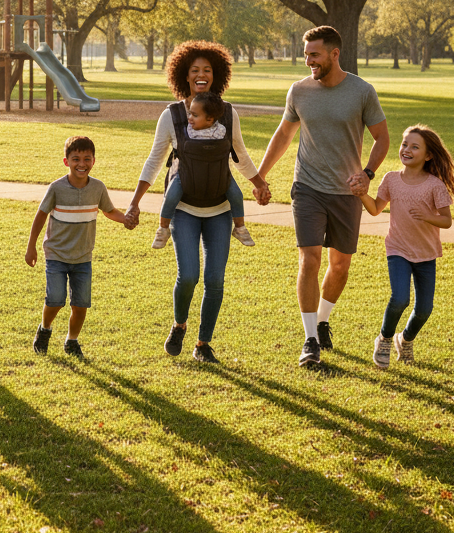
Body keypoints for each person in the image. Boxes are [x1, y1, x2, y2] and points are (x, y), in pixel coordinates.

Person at [124, 40, 270, 362]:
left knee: (215, 280)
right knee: (188, 275)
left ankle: (203, 345)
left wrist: (259, 184)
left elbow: (241, 156)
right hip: (185, 209)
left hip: (220, 209)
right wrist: (134, 202)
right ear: (184, 76)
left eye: (207, 70)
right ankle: (179, 324)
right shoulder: (173, 116)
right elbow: (153, 160)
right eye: (195, 71)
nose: (201, 75)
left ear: (216, 76)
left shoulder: (228, 114)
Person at [256, 25, 389, 368]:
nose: (308, 61)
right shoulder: (299, 91)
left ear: (334, 53)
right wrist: (261, 176)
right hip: (308, 188)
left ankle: (324, 319)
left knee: (340, 266)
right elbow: (284, 134)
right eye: (306, 55)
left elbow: (382, 139)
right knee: (310, 259)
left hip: (347, 192)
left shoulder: (361, 91)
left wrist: (368, 174)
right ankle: (310, 338)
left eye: (314, 54)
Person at [359, 125, 454, 369]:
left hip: (426, 254)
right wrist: (362, 193)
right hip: (397, 249)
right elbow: (375, 209)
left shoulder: (435, 185)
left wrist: (428, 215)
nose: (406, 149)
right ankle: (384, 339)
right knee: (400, 298)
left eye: (415, 147)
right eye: (404, 144)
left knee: (425, 309)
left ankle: (404, 339)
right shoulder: (391, 179)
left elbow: (446, 221)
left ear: (428, 155)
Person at [25, 135, 133, 358]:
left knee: (80, 305)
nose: (81, 164)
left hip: (83, 256)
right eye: (75, 159)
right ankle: (45, 329)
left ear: (94, 161)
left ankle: (71, 341)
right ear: (66, 162)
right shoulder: (56, 188)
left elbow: (108, 210)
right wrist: (31, 247)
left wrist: (125, 220)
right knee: (55, 299)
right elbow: (41, 216)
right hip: (56, 253)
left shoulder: (98, 188)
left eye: (87, 159)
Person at [152, 91, 256, 249]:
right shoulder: (188, 129)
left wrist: (258, 182)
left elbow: (239, 154)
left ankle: (240, 228)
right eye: (189, 114)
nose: (190, 118)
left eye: (195, 115)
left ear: (210, 119)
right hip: (187, 173)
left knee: (236, 195)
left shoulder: (221, 130)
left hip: (219, 173)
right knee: (171, 195)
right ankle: (163, 229)